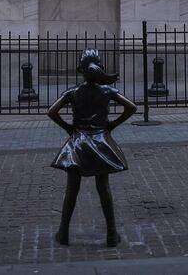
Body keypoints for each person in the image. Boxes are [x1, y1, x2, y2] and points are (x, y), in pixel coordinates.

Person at [48, 48, 137, 247]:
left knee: (72, 189)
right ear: (100, 66)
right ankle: (112, 234)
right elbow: (131, 107)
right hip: (100, 141)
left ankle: (63, 232)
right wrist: (112, 125)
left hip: (78, 142)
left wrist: (68, 128)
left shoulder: (73, 92)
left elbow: (52, 111)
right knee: (103, 188)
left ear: (80, 69)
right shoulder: (107, 91)